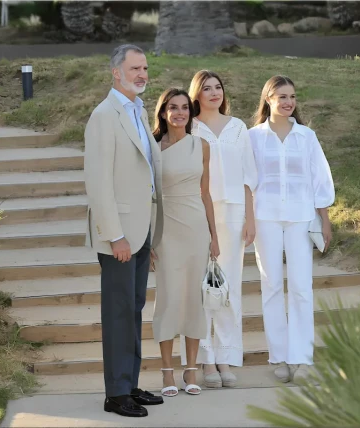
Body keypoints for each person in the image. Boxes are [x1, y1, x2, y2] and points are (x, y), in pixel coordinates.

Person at [83, 44, 164, 418]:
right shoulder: (104, 116)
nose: (142, 74)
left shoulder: (138, 110)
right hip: (120, 234)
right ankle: (116, 394)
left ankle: (129, 384)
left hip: (141, 228)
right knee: (118, 312)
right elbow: (98, 184)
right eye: (134, 68)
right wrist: (115, 235)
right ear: (116, 72)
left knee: (132, 309)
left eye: (145, 67)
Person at [248, 75, 335, 384]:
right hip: (265, 217)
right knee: (271, 286)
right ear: (268, 98)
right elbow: (247, 181)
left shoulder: (306, 137)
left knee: (300, 287)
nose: (288, 102)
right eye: (282, 96)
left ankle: (302, 358)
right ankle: (280, 357)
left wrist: (324, 218)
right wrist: (247, 218)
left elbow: (319, 178)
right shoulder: (253, 137)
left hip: (300, 217)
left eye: (293, 97)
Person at [180, 70, 258, 388]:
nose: (215, 93)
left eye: (219, 87)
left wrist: (250, 219)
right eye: (207, 88)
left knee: (228, 289)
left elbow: (249, 176)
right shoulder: (189, 128)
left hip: (234, 212)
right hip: (200, 213)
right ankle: (205, 359)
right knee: (203, 288)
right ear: (196, 94)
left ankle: (225, 356)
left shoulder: (238, 127)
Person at [150, 88, 220, 397]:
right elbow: (145, 195)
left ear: (190, 114)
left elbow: (205, 194)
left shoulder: (202, 146)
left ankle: (191, 370)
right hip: (165, 230)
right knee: (168, 298)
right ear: (163, 113)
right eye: (173, 108)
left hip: (195, 229)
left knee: (194, 299)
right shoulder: (151, 148)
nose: (179, 113)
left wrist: (214, 236)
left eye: (184, 108)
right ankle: (167, 372)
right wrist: (148, 238)